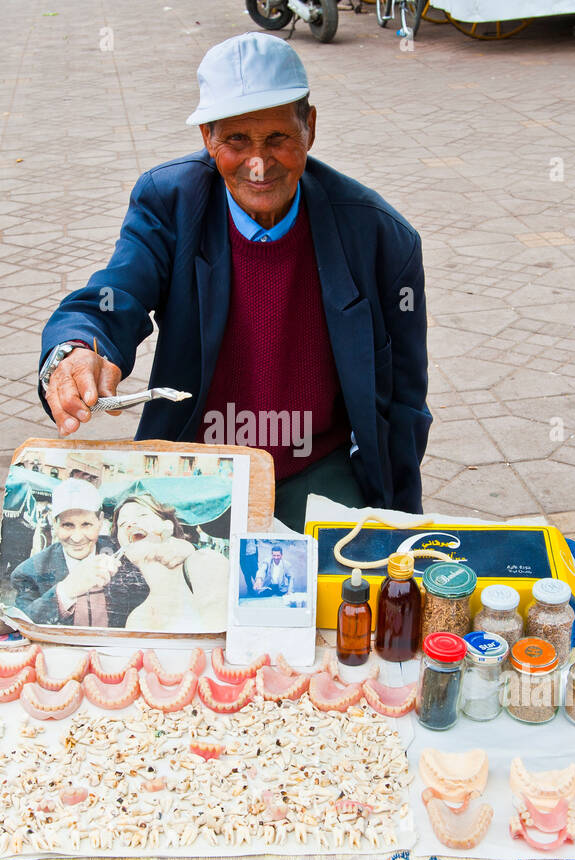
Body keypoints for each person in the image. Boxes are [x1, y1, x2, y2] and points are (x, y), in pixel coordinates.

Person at [36, 32, 430, 530]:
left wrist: (403, 527)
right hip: (197, 465)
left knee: (342, 591)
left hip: (316, 466)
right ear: (207, 138)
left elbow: (405, 404)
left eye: (278, 139)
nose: (259, 164)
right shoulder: (171, 201)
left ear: (309, 127)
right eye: (236, 141)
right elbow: (118, 291)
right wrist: (76, 347)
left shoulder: (380, 237)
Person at [9, 479, 148, 627]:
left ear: (100, 521)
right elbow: (21, 625)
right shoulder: (30, 572)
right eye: (67, 525)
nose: (77, 537)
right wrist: (66, 591)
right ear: (55, 524)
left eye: (86, 524)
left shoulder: (125, 554)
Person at [113, 492, 229, 631]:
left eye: (142, 515)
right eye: (122, 523)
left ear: (168, 526)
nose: (131, 524)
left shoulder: (204, 564)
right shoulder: (136, 619)